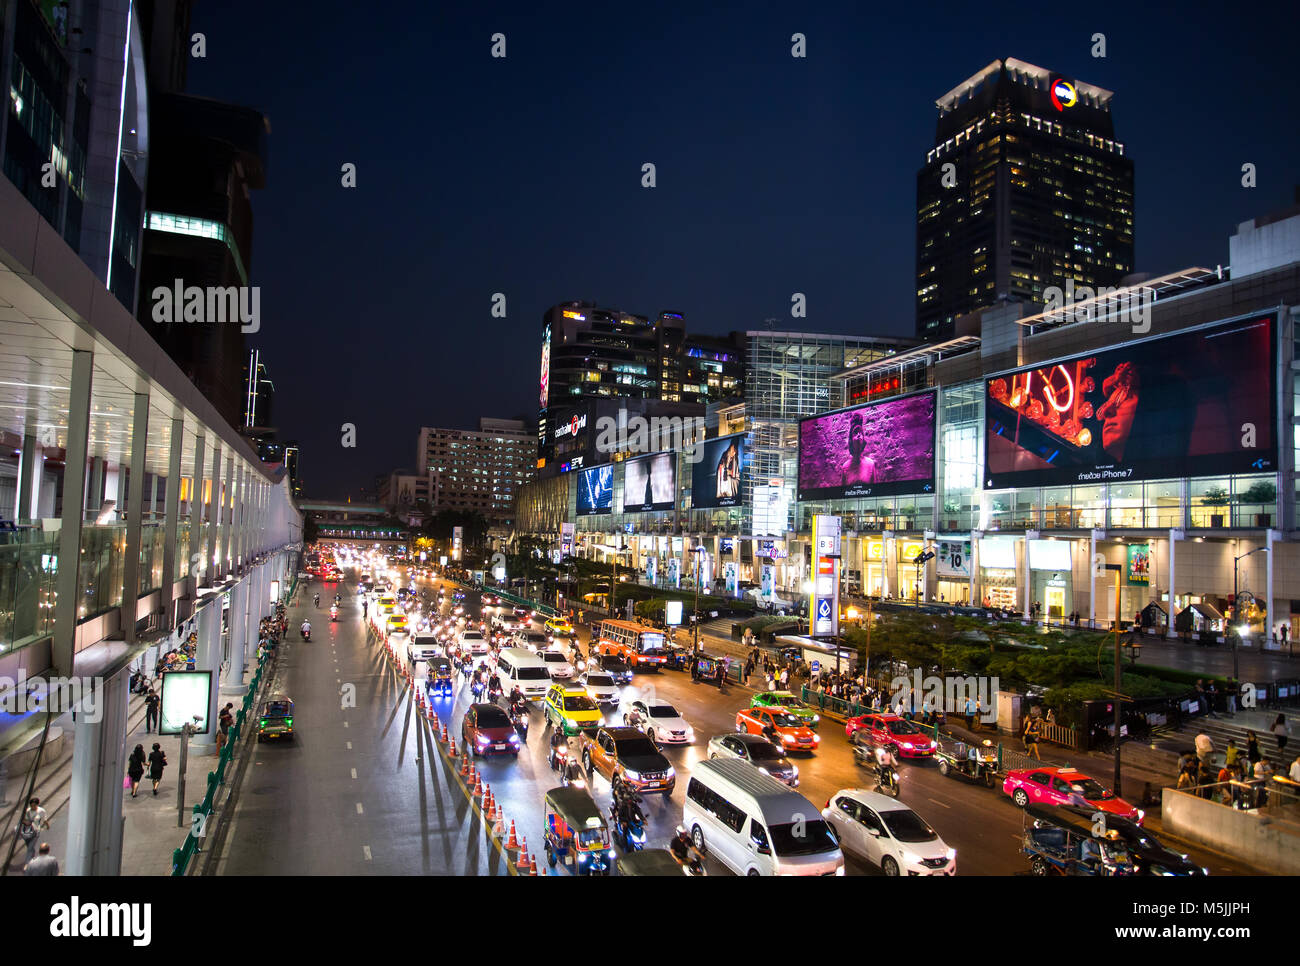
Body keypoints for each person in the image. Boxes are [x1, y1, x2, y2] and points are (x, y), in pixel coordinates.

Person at [16, 797, 48, 864]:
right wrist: (26, 822)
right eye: (31, 805)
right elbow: (24, 819)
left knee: (30, 848)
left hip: (36, 831)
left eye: (34, 805)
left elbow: (44, 820)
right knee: (29, 846)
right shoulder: (28, 810)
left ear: (37, 804)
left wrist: (47, 826)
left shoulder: (41, 811)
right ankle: (33, 857)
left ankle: (27, 863)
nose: (32, 807)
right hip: (27, 831)